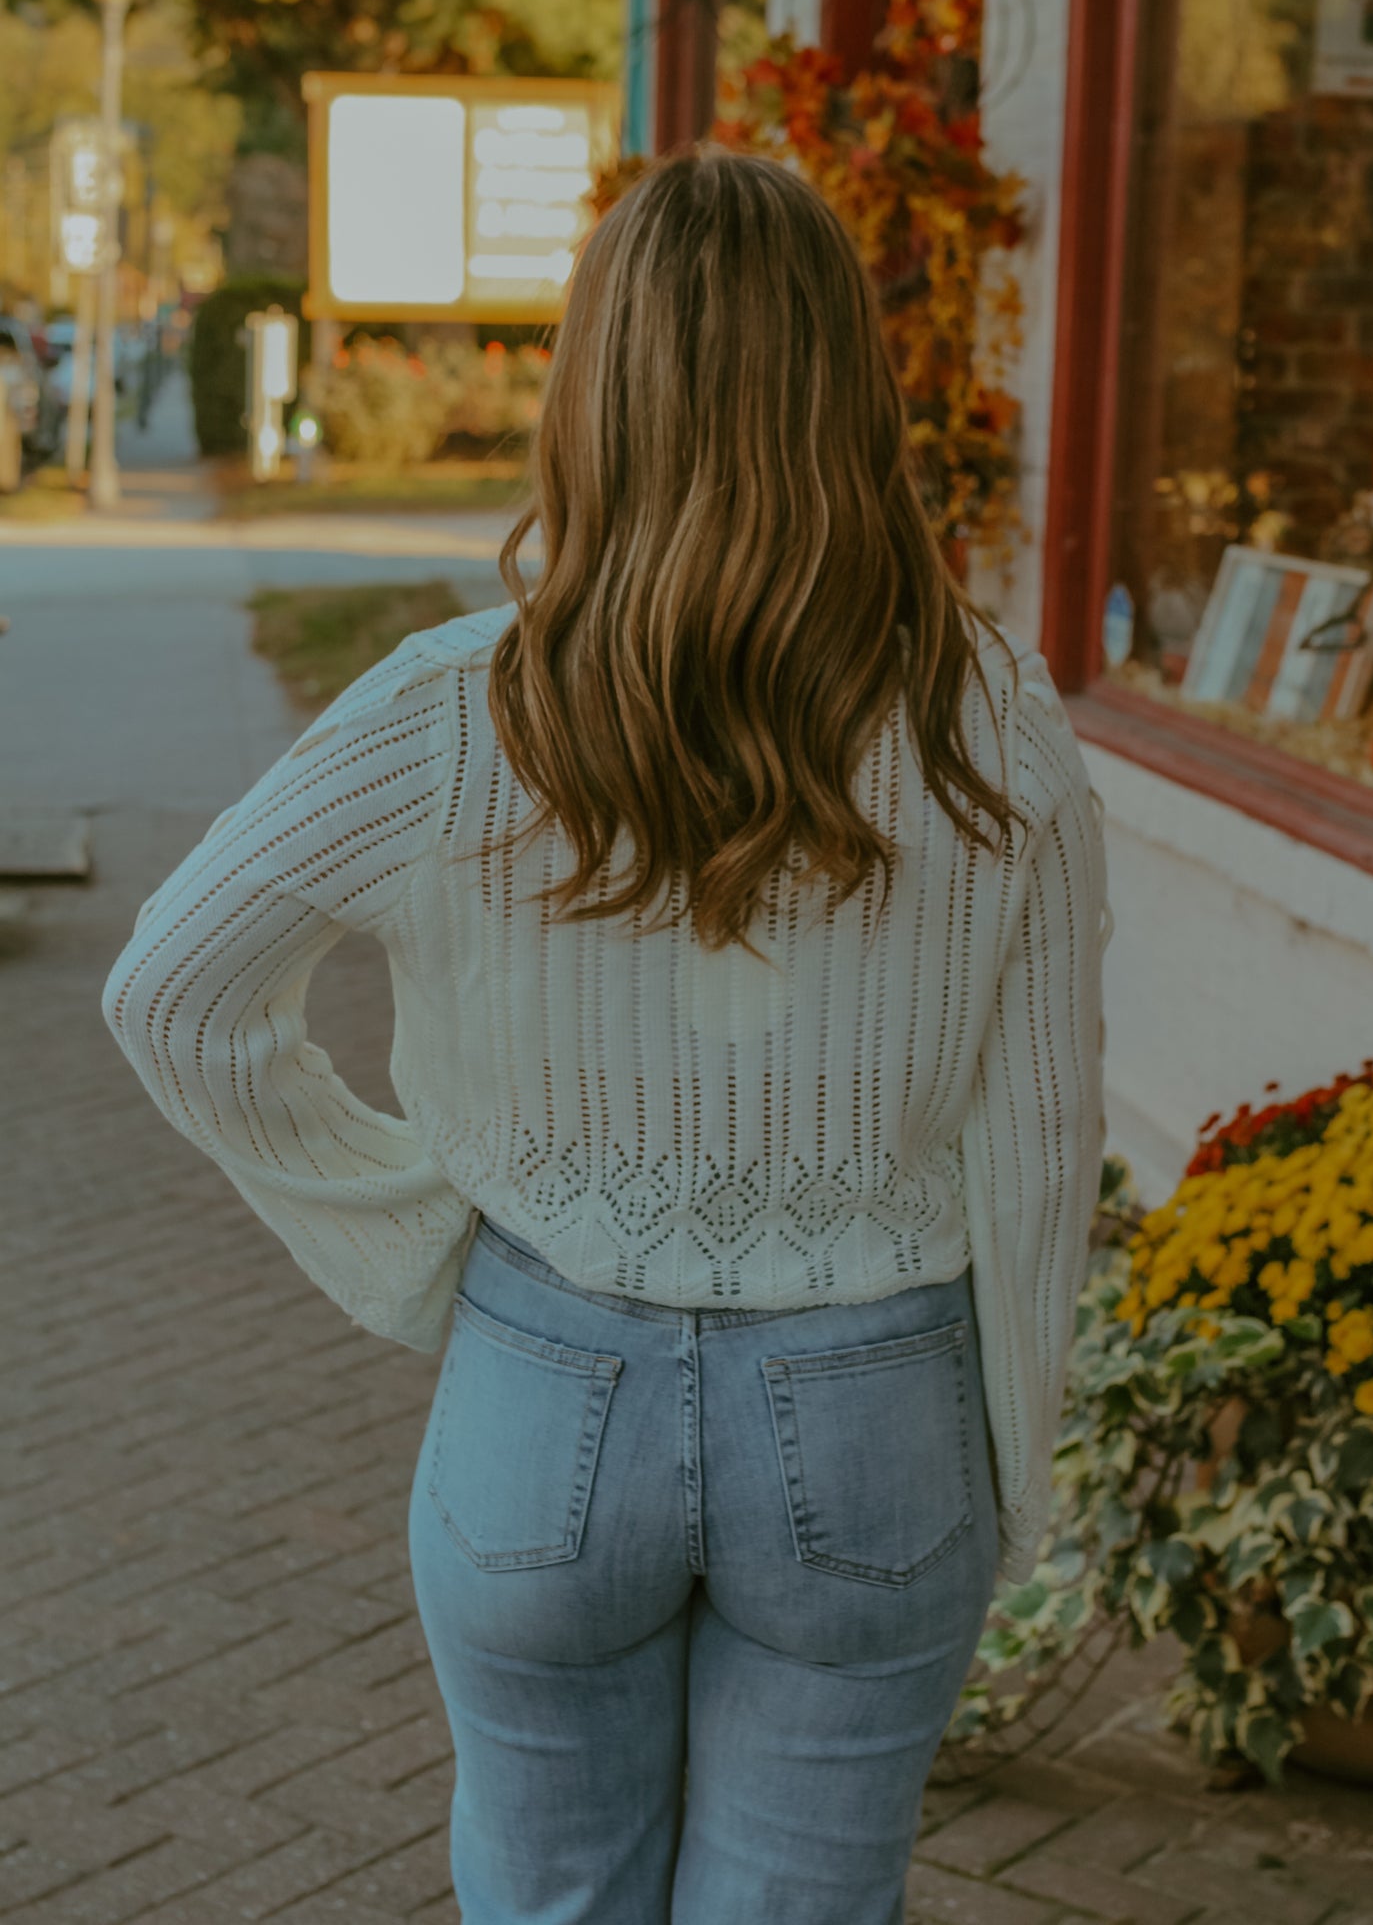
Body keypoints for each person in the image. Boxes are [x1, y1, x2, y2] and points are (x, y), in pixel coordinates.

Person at [103, 148, 1109, 1925]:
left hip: (540, 1389)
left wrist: (417, 1219)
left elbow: (175, 994)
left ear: (591, 394)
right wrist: (1013, 1483)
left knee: (550, 1896)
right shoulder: (992, 723)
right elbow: (1034, 1150)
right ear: (842, 393)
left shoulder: (452, 709)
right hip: (876, 1414)